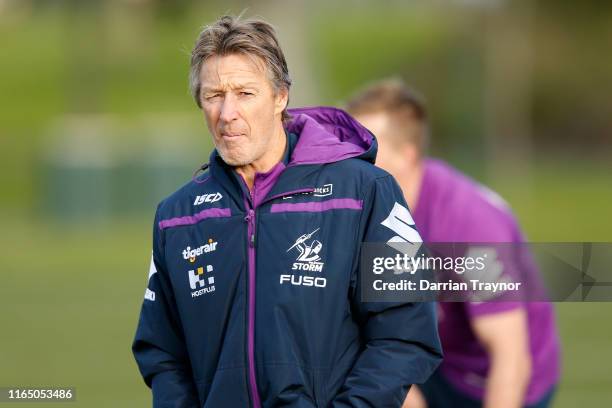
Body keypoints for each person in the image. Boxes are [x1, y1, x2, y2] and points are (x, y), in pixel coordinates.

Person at [132, 16, 442, 408]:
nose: (227, 113)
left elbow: (407, 332)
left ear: (280, 97)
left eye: (245, 93)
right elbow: (162, 353)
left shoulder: (368, 191)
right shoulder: (176, 217)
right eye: (214, 95)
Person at [347, 79, 560, 408]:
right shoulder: (363, 210)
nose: (350, 160)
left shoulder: (470, 226)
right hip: (437, 363)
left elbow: (511, 358)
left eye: (366, 149)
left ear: (407, 155)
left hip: (492, 381)